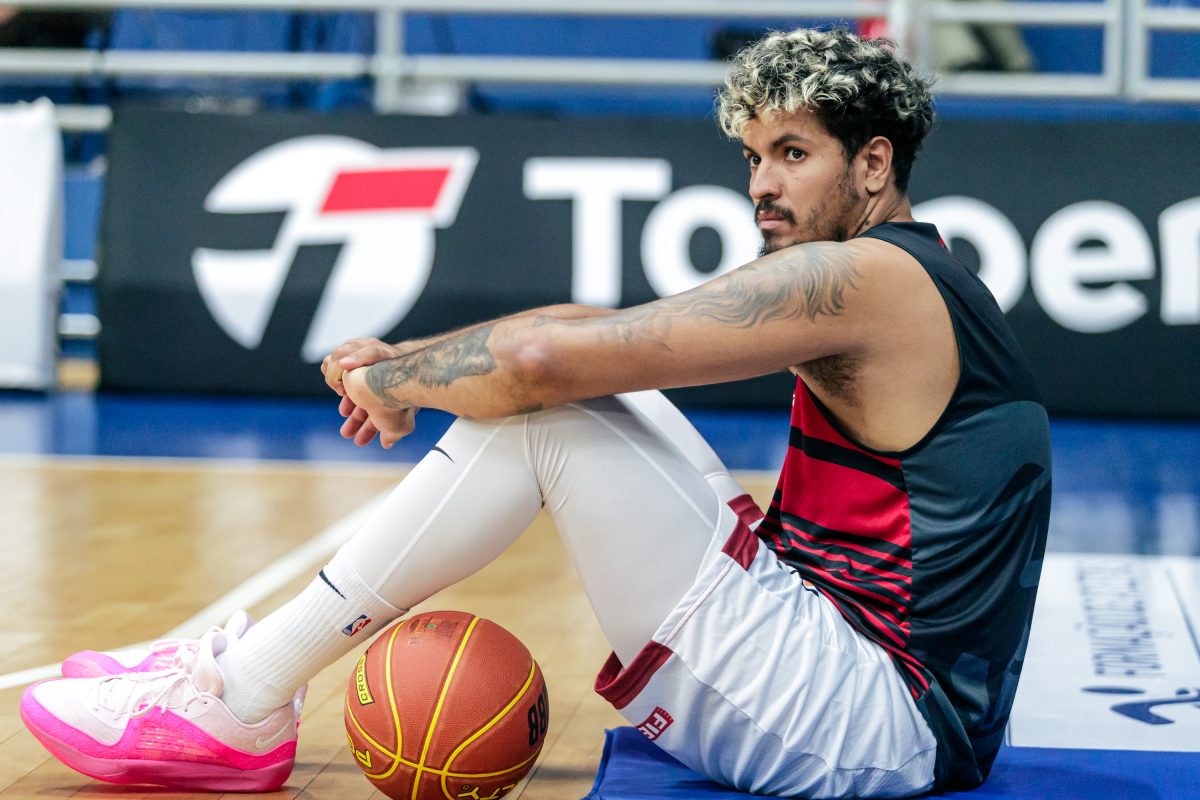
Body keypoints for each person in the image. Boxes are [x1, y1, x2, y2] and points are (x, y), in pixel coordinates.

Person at [21, 27, 1051, 798]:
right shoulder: (905, 268)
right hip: (869, 680)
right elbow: (583, 332)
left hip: (874, 721)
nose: (761, 185)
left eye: (792, 153)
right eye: (752, 157)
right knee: (588, 384)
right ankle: (235, 681)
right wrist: (410, 361)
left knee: (548, 411)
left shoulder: (862, 279)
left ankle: (241, 699)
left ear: (873, 165)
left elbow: (539, 362)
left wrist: (393, 387)